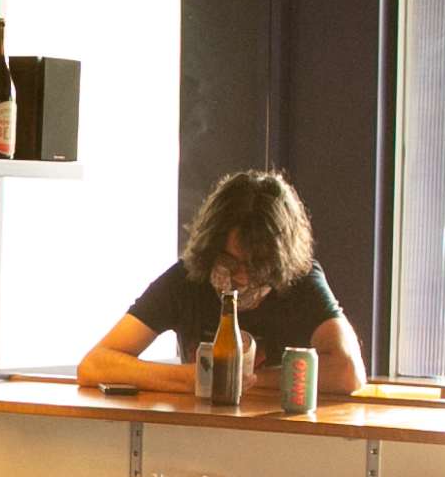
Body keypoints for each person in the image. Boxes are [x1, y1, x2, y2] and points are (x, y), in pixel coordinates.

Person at [78, 169, 366, 398]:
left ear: (280, 259)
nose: (241, 277)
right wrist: (195, 378)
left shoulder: (300, 281)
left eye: (257, 265)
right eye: (229, 261)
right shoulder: (189, 277)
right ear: (210, 247)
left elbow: (348, 371)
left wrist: (244, 380)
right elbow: (94, 365)